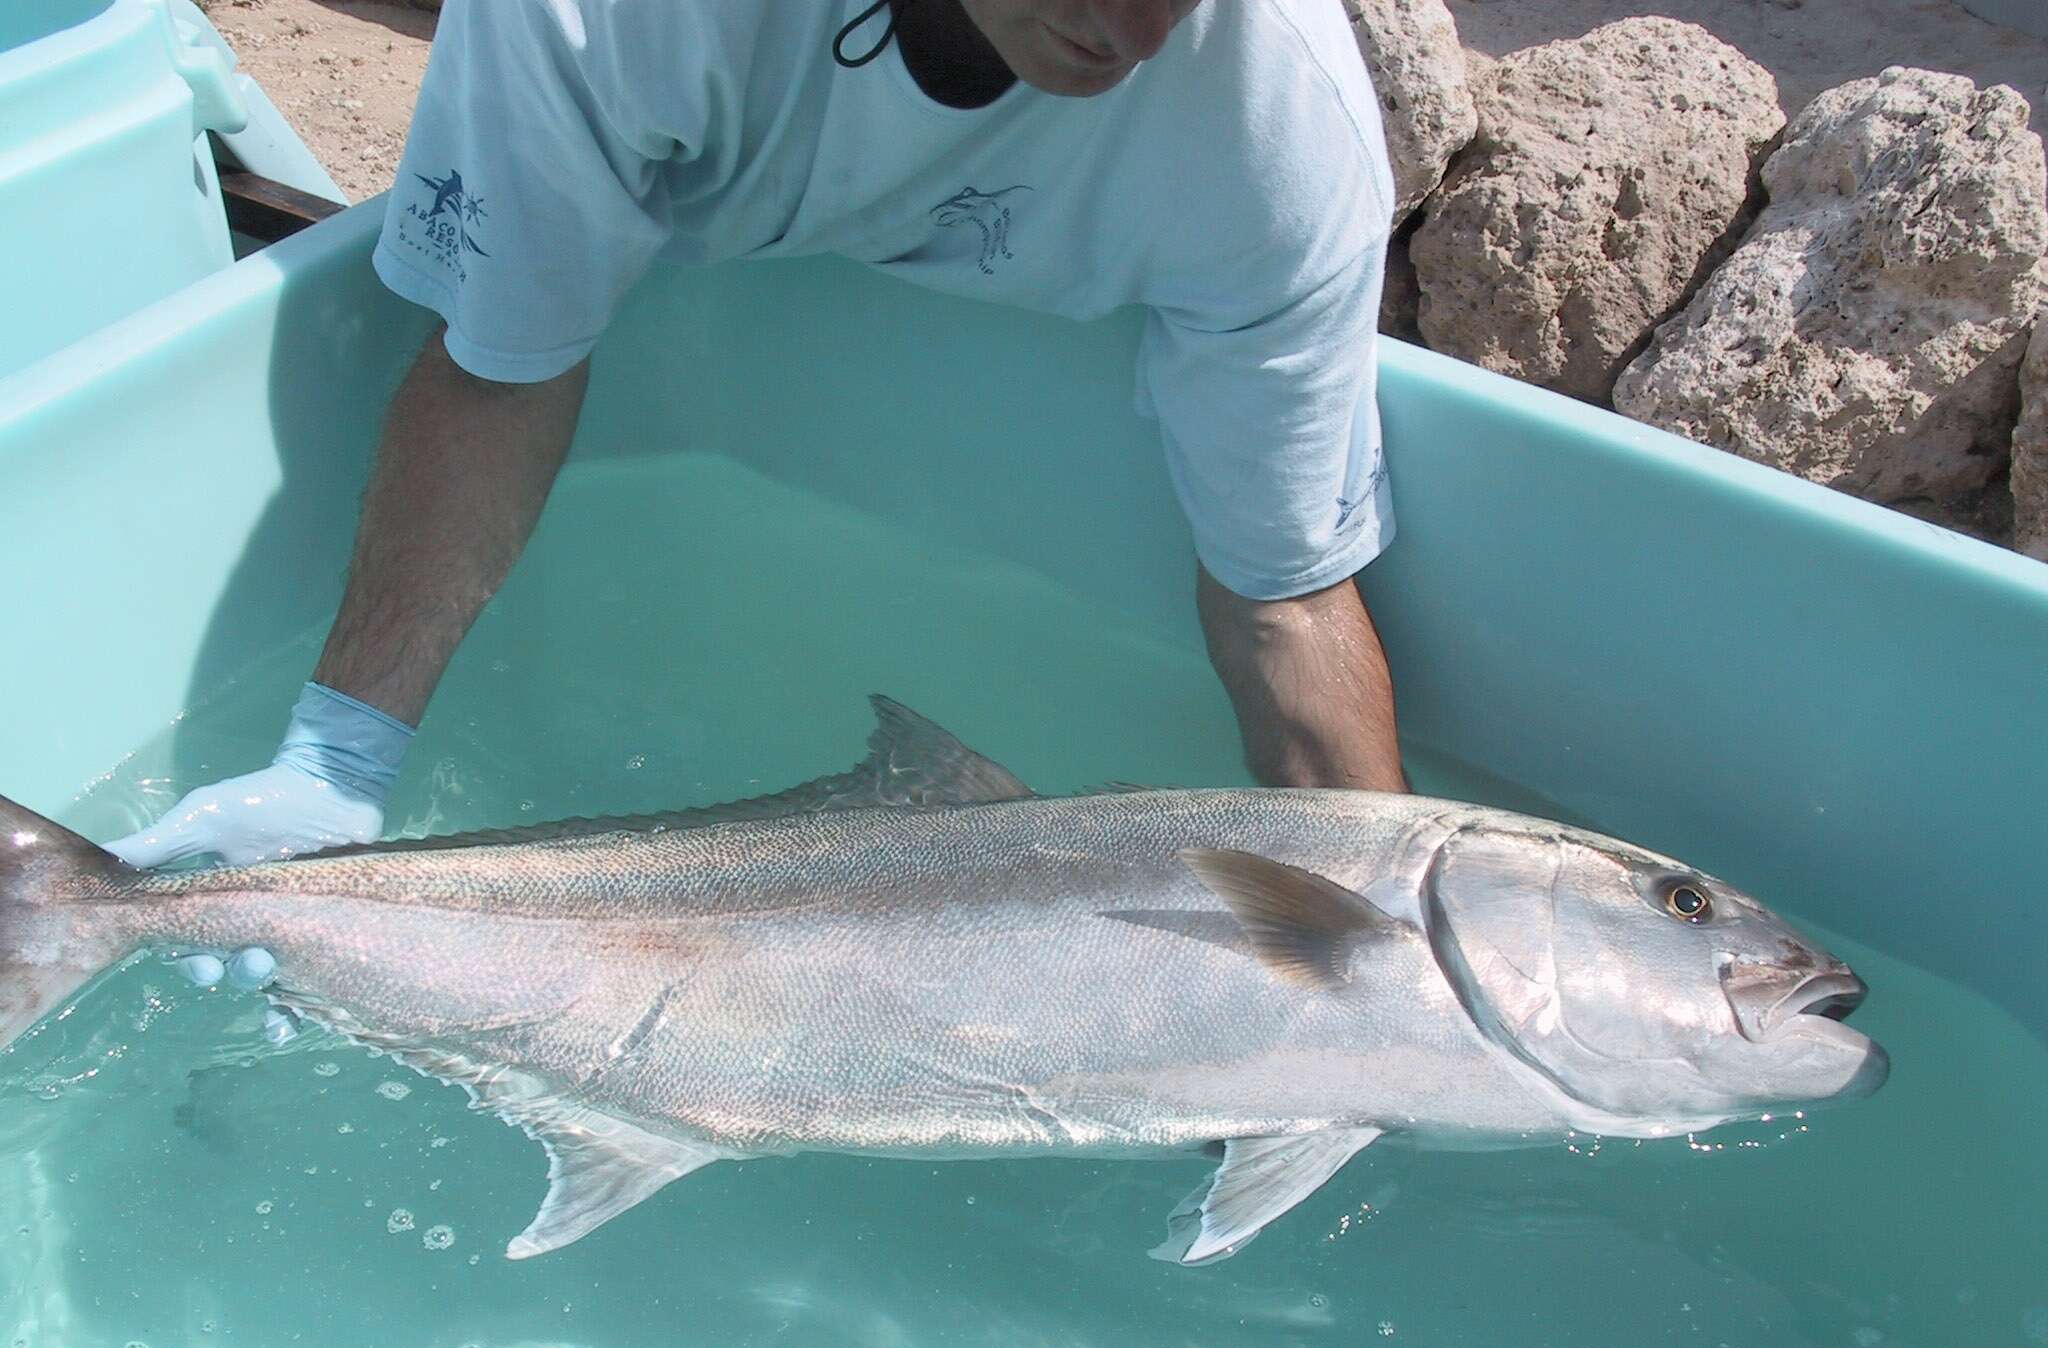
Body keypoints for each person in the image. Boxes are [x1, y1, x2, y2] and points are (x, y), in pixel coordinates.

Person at [108, 0, 1408, 874]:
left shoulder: (1284, 138)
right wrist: (337, 756)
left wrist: (1375, 928)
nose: (1132, 28)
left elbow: (1286, 598)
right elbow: (502, 367)